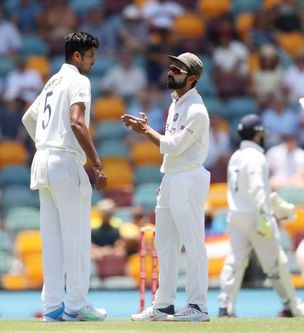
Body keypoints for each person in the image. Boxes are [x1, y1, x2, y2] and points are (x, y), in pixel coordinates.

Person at [21, 32, 108, 322]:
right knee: (77, 237)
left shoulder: (52, 81)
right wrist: (96, 163)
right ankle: (76, 306)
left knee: (53, 239)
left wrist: (45, 141)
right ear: (76, 56)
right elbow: (76, 121)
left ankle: (52, 307)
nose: (93, 62)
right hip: (64, 161)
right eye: (90, 56)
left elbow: (28, 118)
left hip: (43, 160)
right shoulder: (78, 80)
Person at [122, 52, 211, 322]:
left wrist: (145, 132)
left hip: (189, 178)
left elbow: (172, 145)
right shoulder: (176, 104)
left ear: (192, 78)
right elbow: (170, 150)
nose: (171, 72)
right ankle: (163, 305)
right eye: (171, 67)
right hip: (172, 178)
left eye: (178, 70)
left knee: (193, 245)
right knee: (166, 245)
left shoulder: (197, 110)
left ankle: (197, 307)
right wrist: (166, 179)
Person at [218, 114, 302, 318]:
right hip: (256, 217)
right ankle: (292, 306)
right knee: (276, 264)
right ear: (257, 135)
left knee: (234, 262)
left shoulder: (236, 156)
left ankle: (225, 306)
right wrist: (266, 217)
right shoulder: (256, 157)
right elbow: (257, 190)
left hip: (237, 216)